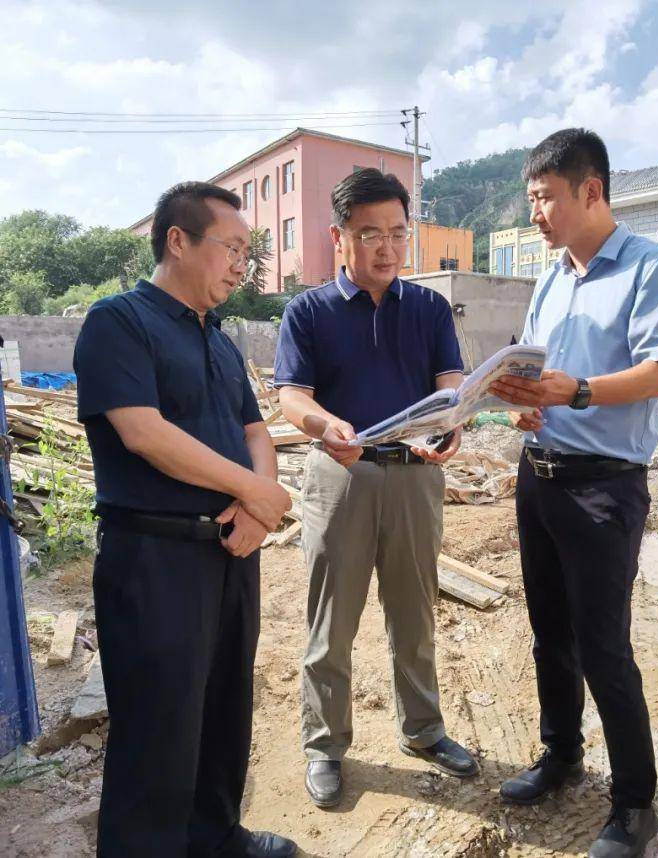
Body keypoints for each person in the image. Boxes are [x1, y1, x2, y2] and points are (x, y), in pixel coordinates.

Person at [74, 182, 296, 857]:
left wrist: (258, 506)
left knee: (225, 711)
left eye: (248, 255)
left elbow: (257, 431)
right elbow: (144, 433)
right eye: (231, 247)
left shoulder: (222, 342)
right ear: (179, 240)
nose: (242, 266)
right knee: (157, 732)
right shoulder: (119, 322)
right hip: (154, 560)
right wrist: (258, 495)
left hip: (229, 553)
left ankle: (217, 836)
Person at [489, 128, 658, 858]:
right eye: (531, 199)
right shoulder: (551, 276)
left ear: (591, 191)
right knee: (549, 634)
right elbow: (543, 369)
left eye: (543, 198)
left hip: (603, 487)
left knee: (604, 646)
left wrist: (576, 392)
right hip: (537, 475)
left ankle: (635, 802)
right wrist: (526, 400)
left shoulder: (648, 266)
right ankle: (562, 754)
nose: (534, 213)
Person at [274, 168, 478, 810]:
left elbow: (451, 382)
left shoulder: (428, 307)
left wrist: (453, 427)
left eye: (397, 232)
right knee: (332, 622)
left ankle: (423, 730)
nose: (387, 248)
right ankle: (324, 746)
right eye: (370, 234)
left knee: (414, 612)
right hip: (342, 475)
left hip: (416, 475)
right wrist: (324, 423)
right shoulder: (308, 311)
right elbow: (290, 395)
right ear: (340, 237)